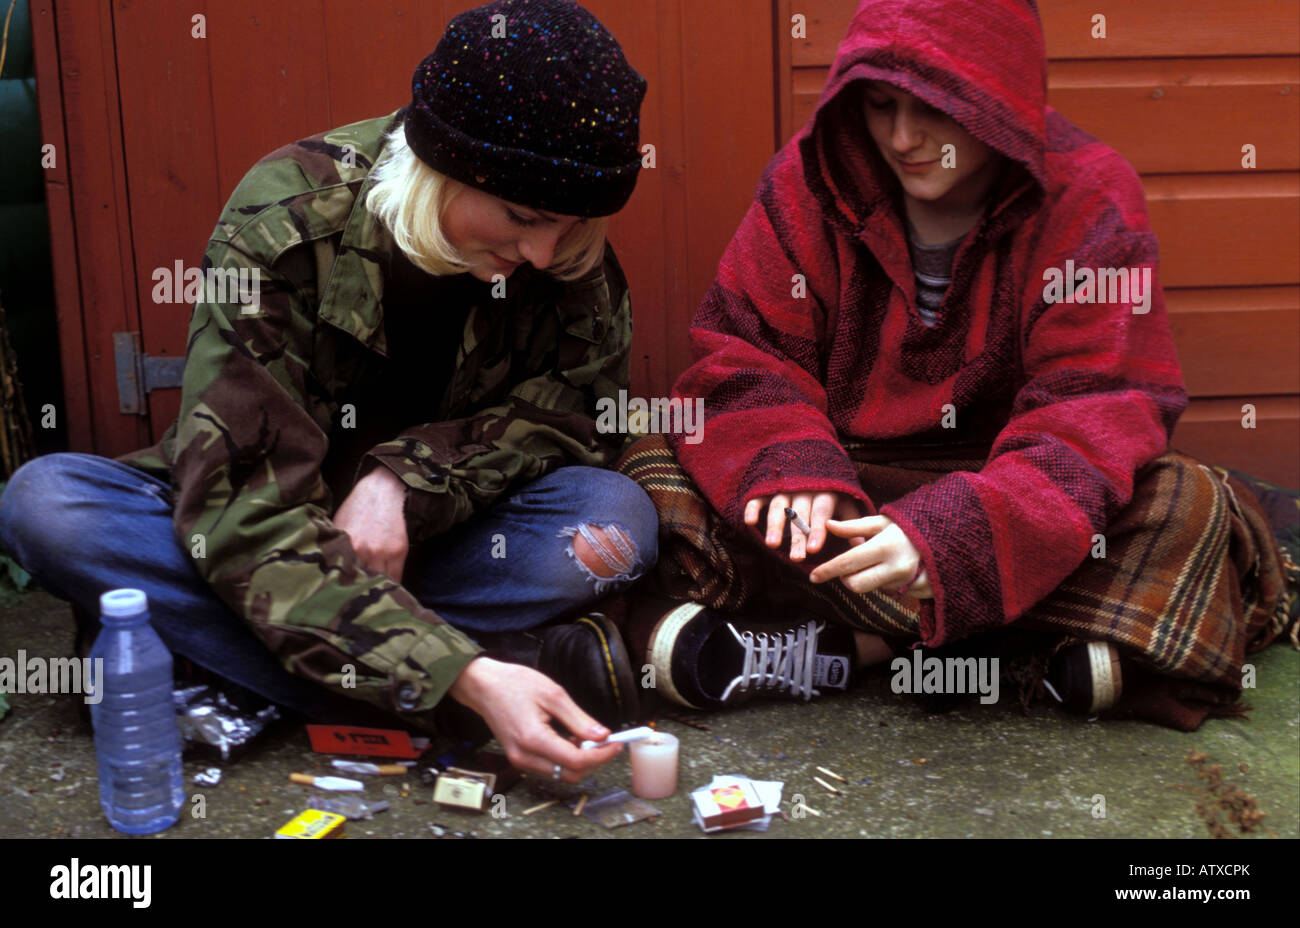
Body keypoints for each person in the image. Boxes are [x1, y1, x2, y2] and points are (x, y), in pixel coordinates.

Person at [0, 0, 657, 782]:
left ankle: (225, 660)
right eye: (521, 215)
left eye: (571, 223)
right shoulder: (283, 218)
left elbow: (569, 423)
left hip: (434, 546)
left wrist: (402, 481)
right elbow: (238, 509)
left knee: (613, 522)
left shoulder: (568, 259)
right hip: (267, 527)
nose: (544, 251)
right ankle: (476, 679)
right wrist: (462, 678)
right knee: (50, 504)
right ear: (441, 163)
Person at [616, 0, 1295, 730]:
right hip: (851, 484)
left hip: (1009, 493)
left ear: (999, 104)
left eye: (934, 113)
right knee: (657, 471)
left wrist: (950, 538)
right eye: (879, 106)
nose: (903, 139)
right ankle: (1017, 652)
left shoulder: (1090, 199)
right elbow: (745, 353)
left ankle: (850, 648)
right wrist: (791, 468)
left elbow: (1095, 408)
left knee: (1185, 508)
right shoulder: (809, 180)